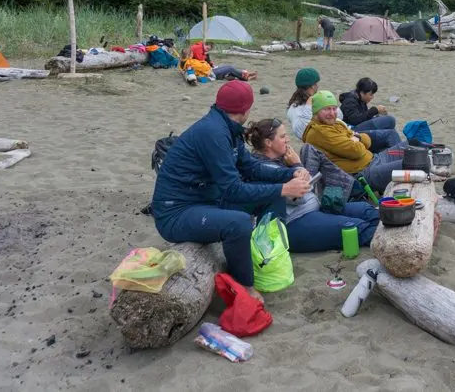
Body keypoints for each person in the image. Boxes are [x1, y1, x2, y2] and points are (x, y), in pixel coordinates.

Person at [150, 81, 311, 302]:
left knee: (273, 198)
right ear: (246, 109)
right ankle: (244, 286)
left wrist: (290, 174)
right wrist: (285, 188)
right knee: (238, 223)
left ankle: (265, 257)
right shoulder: (213, 133)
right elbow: (232, 190)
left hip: (207, 200)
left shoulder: (228, 128)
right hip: (176, 213)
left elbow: (251, 167)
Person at [244, 118, 380, 253]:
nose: (287, 139)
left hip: (314, 209)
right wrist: (297, 164)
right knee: (356, 227)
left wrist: (296, 166)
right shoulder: (263, 169)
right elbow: (299, 197)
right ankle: (392, 244)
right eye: (283, 136)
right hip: (293, 222)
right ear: (268, 143)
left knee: (366, 210)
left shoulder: (281, 159)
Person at [303, 90, 403, 193]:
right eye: (327, 109)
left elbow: (366, 141)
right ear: (316, 111)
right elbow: (357, 151)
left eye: (334, 108)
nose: (332, 113)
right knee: (411, 163)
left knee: (411, 147)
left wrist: (358, 138)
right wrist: (358, 140)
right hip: (363, 174)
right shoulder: (320, 132)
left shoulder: (335, 124)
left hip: (373, 160)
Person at [286, 68, 400, 152]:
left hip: (333, 136)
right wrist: (374, 110)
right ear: (312, 86)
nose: (318, 86)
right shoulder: (312, 103)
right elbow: (341, 116)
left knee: (386, 129)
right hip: (344, 134)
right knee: (389, 125)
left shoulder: (292, 107)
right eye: (316, 84)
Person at [189, 40, 257, 81]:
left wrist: (210, 62)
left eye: (208, 49)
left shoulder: (197, 55)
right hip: (210, 73)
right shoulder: (195, 55)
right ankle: (246, 77)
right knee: (230, 68)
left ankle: (246, 75)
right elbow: (202, 67)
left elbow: (205, 62)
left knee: (229, 69)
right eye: (207, 48)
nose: (207, 50)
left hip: (209, 70)